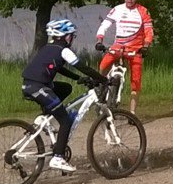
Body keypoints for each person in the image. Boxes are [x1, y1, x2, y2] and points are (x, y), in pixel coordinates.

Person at [22, 19, 109, 173]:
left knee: (65, 88)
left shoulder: (48, 47)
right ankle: (58, 157)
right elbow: (83, 67)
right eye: (71, 35)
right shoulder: (64, 50)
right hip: (39, 87)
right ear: (65, 36)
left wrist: (79, 79)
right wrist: (104, 80)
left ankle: (45, 117)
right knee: (65, 120)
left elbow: (60, 68)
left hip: (30, 85)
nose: (72, 38)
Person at [95, 0, 154, 115]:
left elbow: (149, 30)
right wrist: (99, 40)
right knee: (103, 67)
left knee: (136, 82)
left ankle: (132, 113)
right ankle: (101, 90)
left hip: (135, 50)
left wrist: (146, 45)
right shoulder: (117, 9)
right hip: (118, 47)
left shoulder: (143, 11)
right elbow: (105, 25)